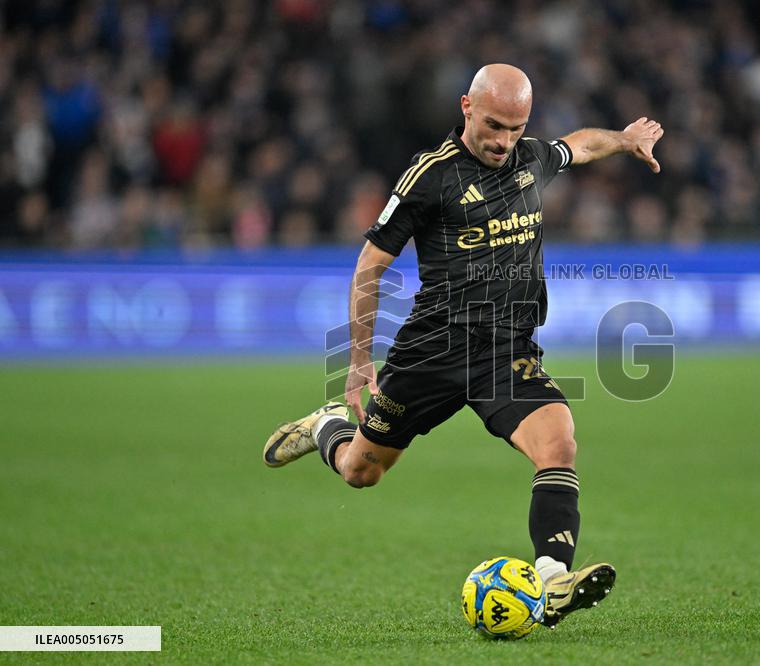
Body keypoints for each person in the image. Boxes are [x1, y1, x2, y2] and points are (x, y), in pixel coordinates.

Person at [263, 63, 663, 627]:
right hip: (432, 352)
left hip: (506, 352)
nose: (504, 142)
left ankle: (551, 581)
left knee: (559, 444)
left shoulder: (529, 159)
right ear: (466, 107)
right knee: (361, 472)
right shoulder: (429, 177)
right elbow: (369, 268)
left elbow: (579, 145)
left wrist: (623, 141)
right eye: (495, 125)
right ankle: (328, 426)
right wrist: (357, 364)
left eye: (516, 129)